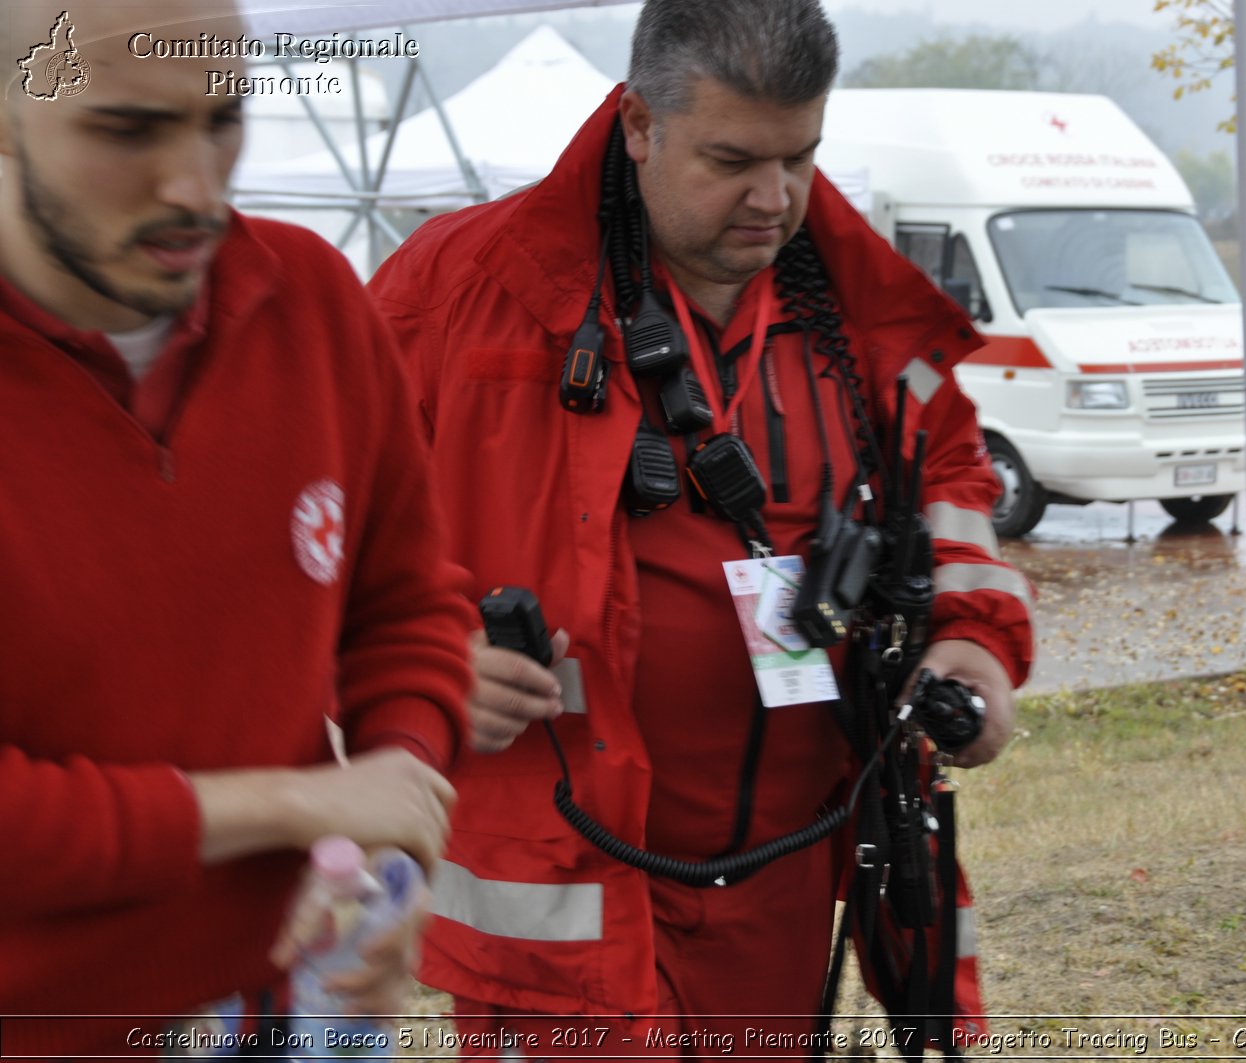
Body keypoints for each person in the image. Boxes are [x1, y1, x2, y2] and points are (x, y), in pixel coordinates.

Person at [368, 0, 1033, 1050]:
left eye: (799, 157)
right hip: (563, 886)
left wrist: (972, 643)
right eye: (730, 160)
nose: (773, 199)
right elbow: (308, 527)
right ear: (638, 125)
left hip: (784, 875)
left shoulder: (856, 309)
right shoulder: (458, 290)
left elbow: (948, 476)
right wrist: (419, 663)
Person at [0, 2, 474, 1056]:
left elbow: (405, 604)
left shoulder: (311, 300)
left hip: (289, 1012)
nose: (196, 189)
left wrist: (387, 829)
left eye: (223, 118)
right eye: (126, 130)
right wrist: (295, 803)